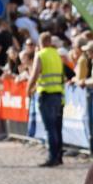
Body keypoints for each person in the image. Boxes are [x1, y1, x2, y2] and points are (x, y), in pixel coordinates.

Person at [27, 31, 65, 167]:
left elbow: (35, 73)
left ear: (41, 43)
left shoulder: (41, 55)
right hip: (59, 95)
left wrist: (28, 88)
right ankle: (59, 157)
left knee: (50, 129)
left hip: (46, 95)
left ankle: (52, 157)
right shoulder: (57, 54)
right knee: (57, 127)